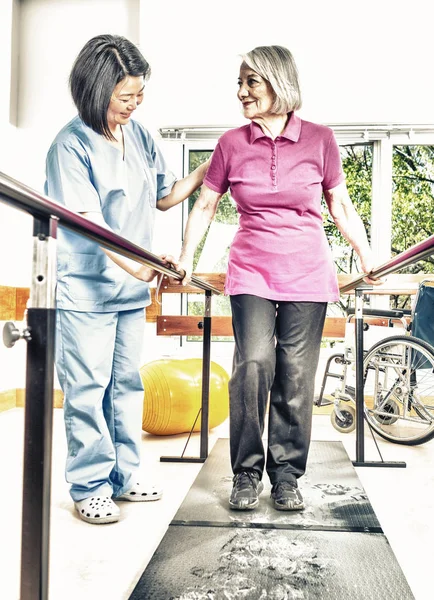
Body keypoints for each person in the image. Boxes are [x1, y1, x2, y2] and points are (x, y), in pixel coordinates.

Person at [174, 45, 378, 512]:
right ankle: (246, 473)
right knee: (253, 365)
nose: (241, 91)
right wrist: (187, 256)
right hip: (250, 271)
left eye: (251, 81)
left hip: (308, 271)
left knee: (296, 375)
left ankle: (286, 475)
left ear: (278, 83)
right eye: (240, 82)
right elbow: (204, 205)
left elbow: (340, 205)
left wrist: (366, 255)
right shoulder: (230, 144)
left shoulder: (321, 140)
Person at [44, 34, 209, 524]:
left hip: (129, 293)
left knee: (126, 386)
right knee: (88, 388)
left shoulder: (138, 136)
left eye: (140, 95)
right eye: (125, 97)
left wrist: (209, 168)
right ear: (97, 90)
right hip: (87, 289)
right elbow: (89, 222)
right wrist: (142, 264)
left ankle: (124, 473)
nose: (134, 105)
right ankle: (90, 484)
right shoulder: (70, 146)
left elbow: (163, 196)